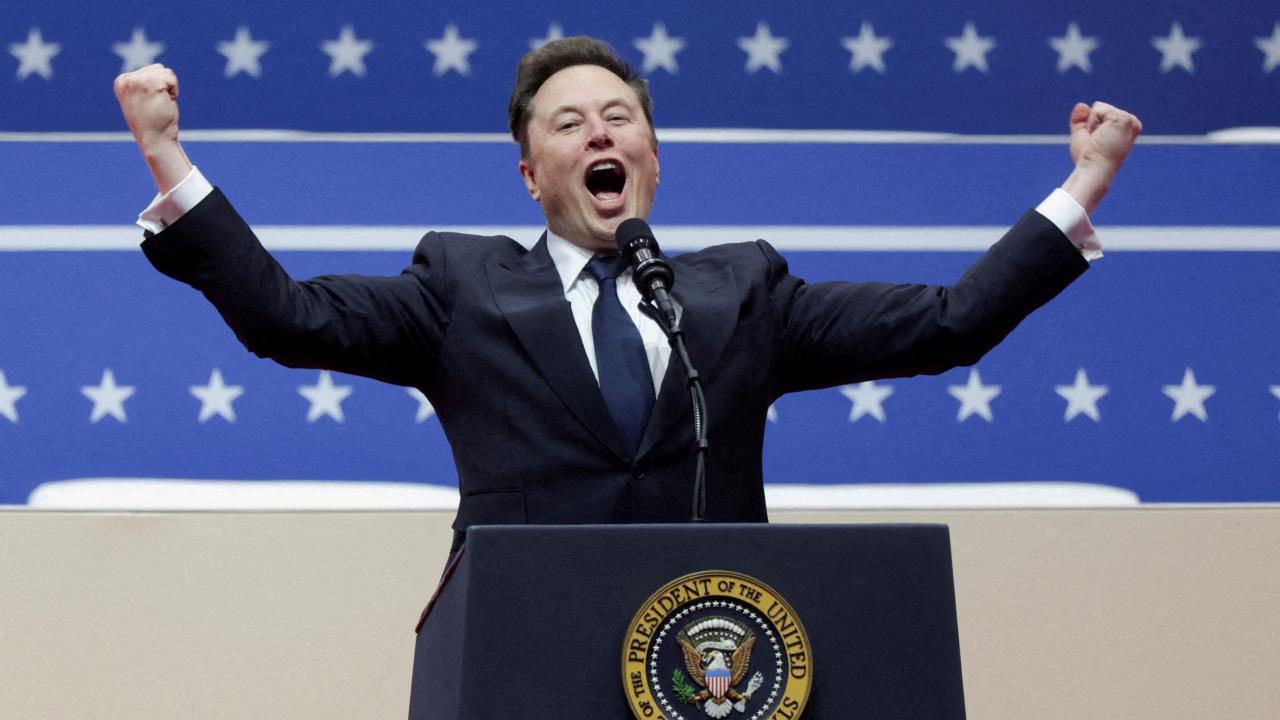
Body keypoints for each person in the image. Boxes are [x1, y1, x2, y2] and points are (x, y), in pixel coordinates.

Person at [114, 37, 1141, 555]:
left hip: (712, 655)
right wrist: (168, 156)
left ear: (652, 154)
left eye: (619, 117)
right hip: (520, 652)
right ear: (530, 175)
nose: (600, 133)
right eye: (568, 124)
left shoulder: (745, 290)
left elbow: (949, 324)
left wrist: (1082, 186)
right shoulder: (460, 285)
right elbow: (287, 319)